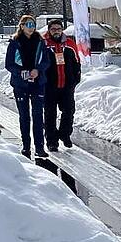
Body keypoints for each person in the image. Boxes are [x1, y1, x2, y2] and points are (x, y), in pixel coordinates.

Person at [5, 15, 51, 158]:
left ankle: (39, 147)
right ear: (22, 26)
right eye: (28, 24)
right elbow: (9, 64)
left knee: (38, 115)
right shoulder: (14, 42)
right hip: (21, 84)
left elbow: (46, 61)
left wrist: (38, 70)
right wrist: (21, 72)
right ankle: (26, 146)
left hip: (38, 83)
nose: (31, 27)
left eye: (33, 24)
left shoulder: (40, 41)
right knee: (24, 116)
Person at [43, 19, 82, 151]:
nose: (56, 32)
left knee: (69, 111)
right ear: (49, 30)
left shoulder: (70, 44)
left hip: (67, 85)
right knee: (50, 114)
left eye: (59, 29)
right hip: (49, 86)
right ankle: (51, 140)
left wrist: (75, 78)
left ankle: (65, 134)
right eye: (53, 29)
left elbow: (77, 62)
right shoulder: (43, 44)